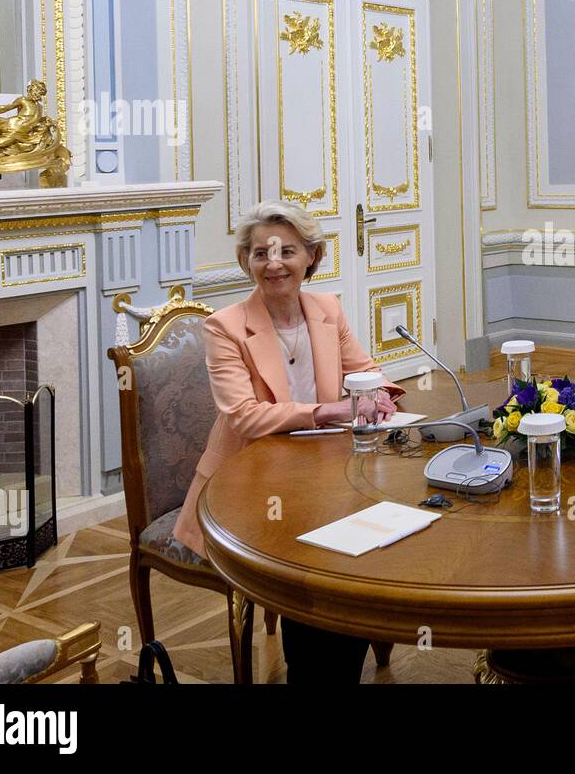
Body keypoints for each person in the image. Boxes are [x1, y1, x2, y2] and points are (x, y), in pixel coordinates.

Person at [172, 200, 404, 683]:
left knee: (365, 542)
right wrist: (328, 410)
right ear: (246, 262)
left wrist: (379, 394)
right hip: (249, 484)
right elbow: (245, 417)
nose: (274, 263)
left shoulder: (326, 308)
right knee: (316, 558)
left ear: (310, 257)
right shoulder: (225, 327)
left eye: (286, 251)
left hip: (321, 470)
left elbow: (363, 369)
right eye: (260, 253)